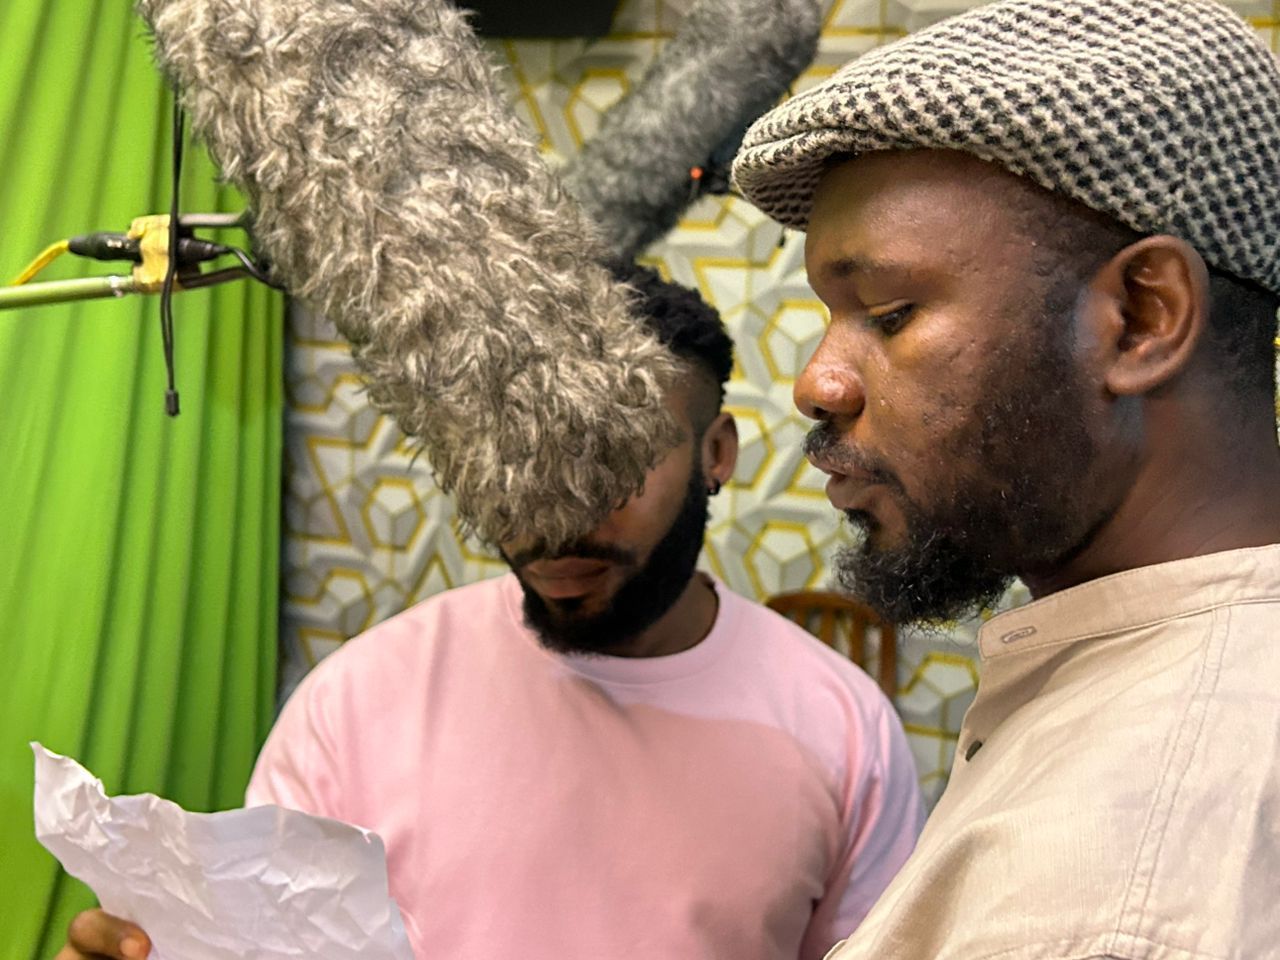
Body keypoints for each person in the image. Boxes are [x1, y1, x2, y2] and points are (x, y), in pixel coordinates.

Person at [59, 265, 923, 960]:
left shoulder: (844, 734)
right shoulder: (355, 706)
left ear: (716, 453)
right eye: (520, 456)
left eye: (614, 456)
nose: (556, 507)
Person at [729, 0, 1280, 957]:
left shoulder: (1116, 883)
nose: (816, 383)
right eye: (830, 314)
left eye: (890, 313)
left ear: (1142, 319)